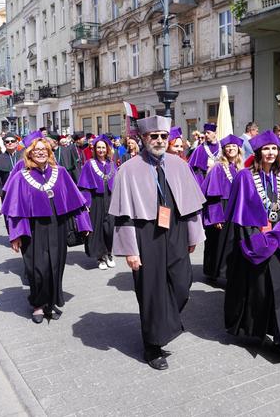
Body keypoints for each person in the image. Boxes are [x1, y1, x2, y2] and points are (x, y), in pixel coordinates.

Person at [109, 115, 206, 370]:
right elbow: (123, 214)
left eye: (163, 136)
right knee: (151, 292)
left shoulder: (178, 164)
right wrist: (130, 250)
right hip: (144, 234)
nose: (160, 140)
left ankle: (167, 321)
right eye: (154, 136)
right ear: (143, 138)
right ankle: (152, 346)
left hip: (175, 230)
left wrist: (193, 235)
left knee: (183, 282)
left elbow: (192, 205)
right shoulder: (127, 169)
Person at [224, 130, 280, 362]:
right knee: (262, 290)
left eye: (274, 148)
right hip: (256, 239)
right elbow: (239, 214)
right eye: (266, 149)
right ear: (258, 151)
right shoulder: (244, 176)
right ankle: (258, 331)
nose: (271, 153)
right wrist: (255, 237)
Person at [1, 138, 92, 323]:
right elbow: (14, 209)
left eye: (44, 149)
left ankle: (50, 302)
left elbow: (75, 200)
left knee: (56, 265)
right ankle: (38, 304)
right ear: (29, 154)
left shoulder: (61, 173)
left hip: (57, 226)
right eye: (36, 150)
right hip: (33, 230)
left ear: (50, 153)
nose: (41, 152)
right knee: (37, 268)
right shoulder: (21, 177)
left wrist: (83, 224)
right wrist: (15, 235)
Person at [200, 134, 244, 281]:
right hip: (221, 208)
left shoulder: (240, 168)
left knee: (231, 242)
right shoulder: (218, 168)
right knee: (217, 241)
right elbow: (212, 196)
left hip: (236, 208)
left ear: (238, 149)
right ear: (224, 150)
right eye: (228, 147)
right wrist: (216, 217)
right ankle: (215, 273)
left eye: (233, 146)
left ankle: (227, 272)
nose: (231, 149)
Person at [78, 135, 117, 270]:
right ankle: (100, 257)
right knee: (98, 229)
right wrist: (87, 204)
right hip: (96, 201)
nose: (101, 150)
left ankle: (109, 253)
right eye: (98, 147)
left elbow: (116, 184)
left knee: (110, 229)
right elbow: (84, 186)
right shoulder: (89, 164)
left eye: (103, 147)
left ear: (107, 149)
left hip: (110, 200)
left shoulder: (111, 164)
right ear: (95, 149)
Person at [0, 133, 24, 214]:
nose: (10, 143)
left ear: (17, 143)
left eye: (12, 141)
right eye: (7, 141)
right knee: (9, 215)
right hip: (7, 192)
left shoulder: (24, 156)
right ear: (4, 144)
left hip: (23, 190)